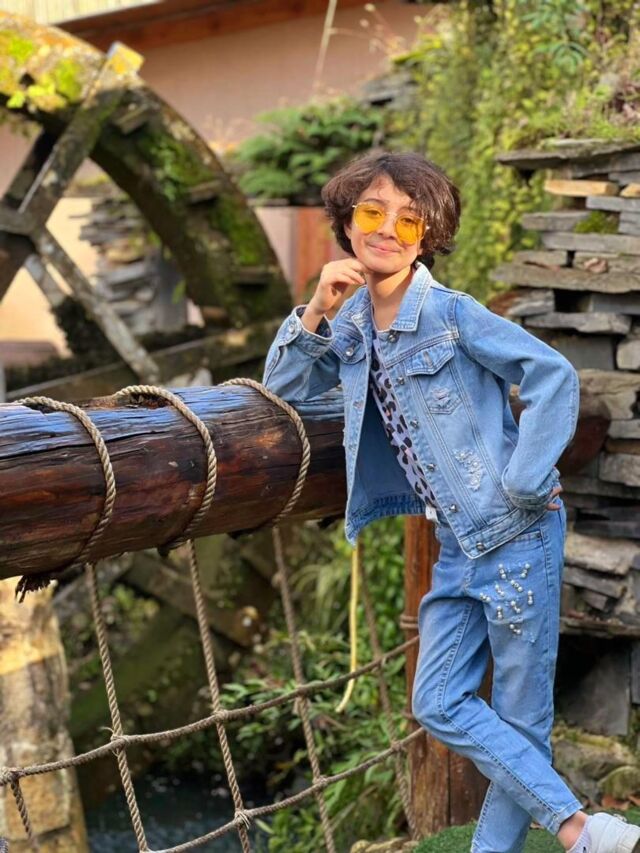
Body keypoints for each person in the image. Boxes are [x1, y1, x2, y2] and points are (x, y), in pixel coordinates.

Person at [261, 150, 640, 853]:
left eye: (408, 221)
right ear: (347, 222)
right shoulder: (351, 324)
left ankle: (558, 836)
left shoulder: (452, 314)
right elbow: (283, 394)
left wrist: (525, 477)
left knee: (520, 720)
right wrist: (316, 308)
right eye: (372, 212)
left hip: (518, 534)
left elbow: (554, 376)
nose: (387, 230)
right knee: (436, 700)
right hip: (458, 543)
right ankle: (584, 830)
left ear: (428, 237)